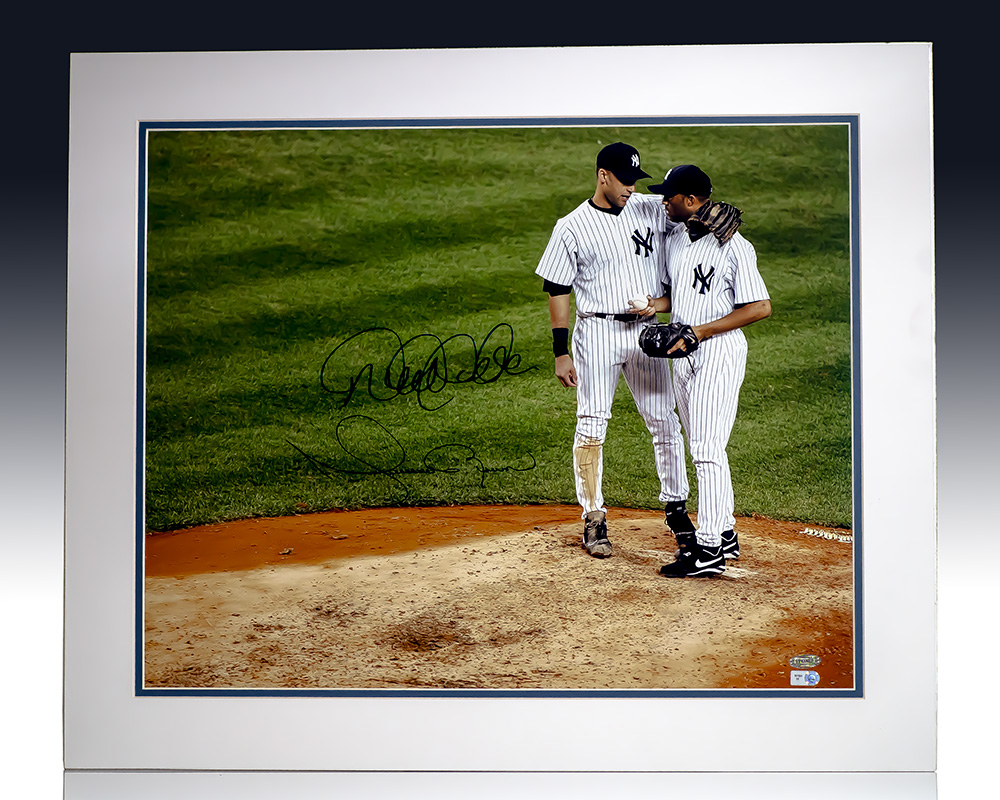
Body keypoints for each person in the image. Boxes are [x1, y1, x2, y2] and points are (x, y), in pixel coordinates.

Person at [535, 142, 693, 558]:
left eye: (635, 180)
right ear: (602, 175)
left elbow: (687, 209)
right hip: (597, 333)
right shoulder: (571, 227)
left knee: (664, 421)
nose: (630, 187)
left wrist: (713, 212)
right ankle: (593, 516)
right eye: (624, 180)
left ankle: (677, 510)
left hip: (647, 332)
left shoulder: (649, 209)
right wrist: (560, 351)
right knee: (591, 424)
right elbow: (557, 289)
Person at [639, 164, 772, 577]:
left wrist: (701, 331)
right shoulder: (679, 238)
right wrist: (655, 306)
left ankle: (709, 548)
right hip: (685, 352)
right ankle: (726, 532)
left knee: (707, 449)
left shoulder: (735, 247)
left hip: (718, 352)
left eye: (670, 195)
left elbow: (760, 307)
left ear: (692, 200)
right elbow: (682, 295)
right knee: (704, 444)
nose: (664, 201)